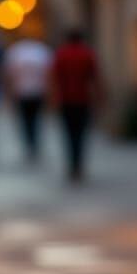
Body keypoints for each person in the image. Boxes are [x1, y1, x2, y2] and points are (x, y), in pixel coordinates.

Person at [50, 29, 102, 182]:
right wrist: (100, 97)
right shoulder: (87, 54)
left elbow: (54, 78)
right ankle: (78, 163)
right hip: (83, 99)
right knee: (81, 133)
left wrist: (53, 98)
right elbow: (95, 77)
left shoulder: (61, 54)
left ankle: (72, 164)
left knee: (68, 133)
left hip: (65, 100)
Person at [2, 30, 53, 162]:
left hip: (22, 92)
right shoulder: (41, 51)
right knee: (35, 120)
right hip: (37, 91)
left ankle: (30, 145)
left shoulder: (15, 52)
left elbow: (9, 75)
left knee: (25, 121)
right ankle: (33, 145)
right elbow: (48, 74)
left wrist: (8, 94)